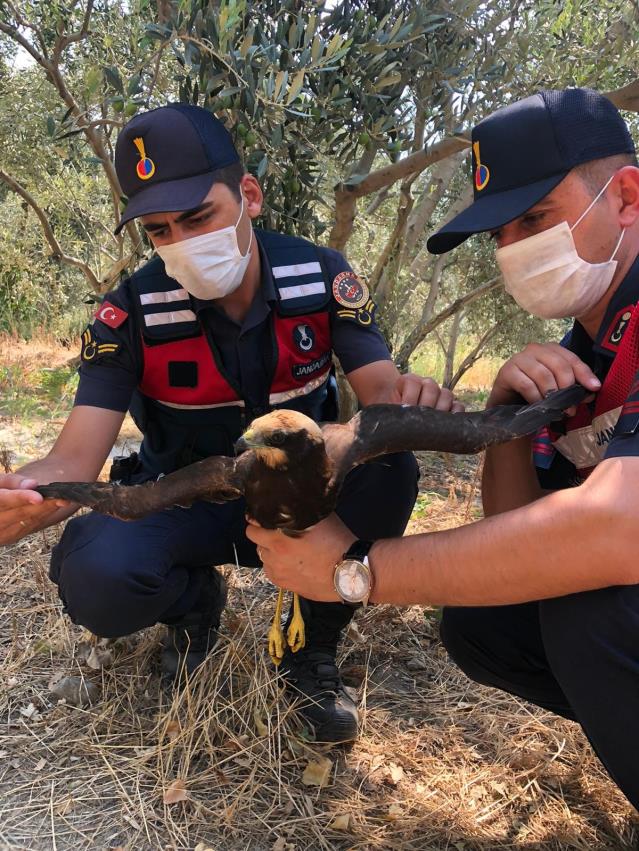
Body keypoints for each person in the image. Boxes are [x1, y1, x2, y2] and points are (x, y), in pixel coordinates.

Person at [0, 103, 460, 743]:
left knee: (389, 472)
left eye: (198, 217)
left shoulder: (321, 278)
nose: (182, 242)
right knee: (96, 576)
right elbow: (73, 462)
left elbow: (381, 395)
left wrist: (413, 399)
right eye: (159, 230)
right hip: (179, 500)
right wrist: (18, 493)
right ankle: (193, 606)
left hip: (302, 499)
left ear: (249, 195)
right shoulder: (127, 315)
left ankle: (307, 644)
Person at [247, 88, 639, 806]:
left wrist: (353, 570)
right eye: (499, 234)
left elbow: (618, 529)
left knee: (596, 614)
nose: (514, 250)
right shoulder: (584, 349)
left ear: (625, 197)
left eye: (534, 219)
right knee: (487, 621)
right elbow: (516, 537)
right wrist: (505, 421)